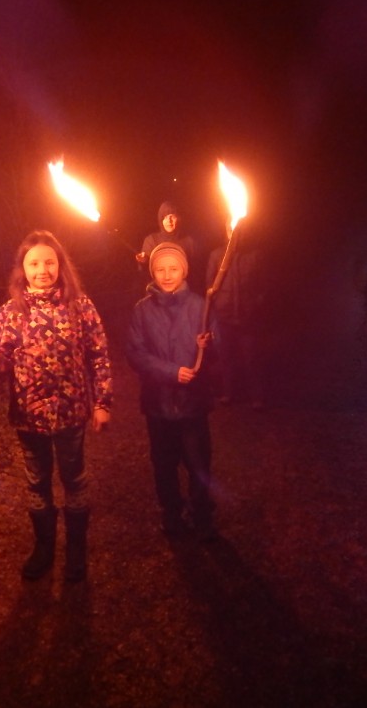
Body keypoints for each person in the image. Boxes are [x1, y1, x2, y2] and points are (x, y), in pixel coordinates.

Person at [0, 230, 112, 582]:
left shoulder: (80, 306)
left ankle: (76, 548)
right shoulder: (11, 312)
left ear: (61, 266)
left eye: (49, 262)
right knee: (37, 482)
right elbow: (3, 360)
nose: (42, 270)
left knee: (74, 479)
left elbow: (99, 356)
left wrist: (102, 402)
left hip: (70, 412)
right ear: (23, 269)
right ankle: (44, 546)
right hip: (28, 415)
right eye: (34, 263)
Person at [126, 241, 217, 541]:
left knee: (198, 463)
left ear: (184, 271)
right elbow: (136, 354)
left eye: (173, 268)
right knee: (164, 464)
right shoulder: (142, 310)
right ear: (152, 272)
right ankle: (171, 513)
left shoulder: (201, 306)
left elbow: (219, 350)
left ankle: (201, 512)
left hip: (192, 404)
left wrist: (209, 344)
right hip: (159, 405)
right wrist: (171, 372)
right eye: (161, 269)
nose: (167, 275)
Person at [206, 218, 265, 408]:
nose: (234, 233)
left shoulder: (254, 256)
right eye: (231, 229)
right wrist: (215, 306)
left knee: (251, 358)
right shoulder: (217, 255)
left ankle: (256, 397)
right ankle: (228, 393)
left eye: (238, 230)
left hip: (247, 317)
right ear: (227, 232)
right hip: (224, 316)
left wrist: (256, 304)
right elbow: (209, 285)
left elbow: (263, 285)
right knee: (226, 357)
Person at [135, 201, 198, 287]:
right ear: (160, 220)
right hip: (157, 290)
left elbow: (195, 271)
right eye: (165, 217)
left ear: (179, 218)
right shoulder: (151, 240)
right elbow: (144, 272)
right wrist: (143, 261)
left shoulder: (189, 242)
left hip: (181, 291)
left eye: (172, 216)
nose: (169, 221)